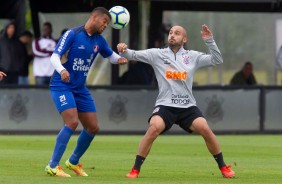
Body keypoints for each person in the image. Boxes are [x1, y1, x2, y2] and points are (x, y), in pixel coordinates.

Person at [117, 24, 236, 179]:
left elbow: (217, 59)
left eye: (177, 33)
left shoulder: (192, 56)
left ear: (184, 39)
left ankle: (223, 167)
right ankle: (135, 170)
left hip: (187, 106)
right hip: (165, 105)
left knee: (205, 128)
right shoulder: (157, 54)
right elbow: (131, 55)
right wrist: (122, 49)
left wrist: (209, 40)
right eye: (171, 32)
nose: (172, 35)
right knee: (153, 128)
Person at [45, 7, 128, 177]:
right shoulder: (73, 34)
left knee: (93, 127)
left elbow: (111, 56)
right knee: (72, 122)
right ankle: (53, 166)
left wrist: (120, 58)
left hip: (80, 88)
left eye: (108, 23)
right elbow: (54, 56)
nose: (106, 25)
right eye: (104, 21)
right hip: (62, 85)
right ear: (94, 17)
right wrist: (61, 70)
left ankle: (73, 162)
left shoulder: (99, 40)